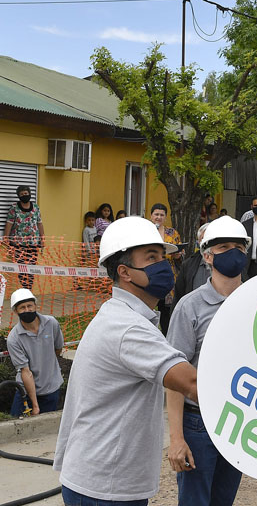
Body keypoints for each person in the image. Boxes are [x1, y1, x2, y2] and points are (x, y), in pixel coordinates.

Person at [54, 216, 198, 505]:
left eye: (164, 257)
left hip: (104, 480)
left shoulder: (122, 315)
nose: (164, 265)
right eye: (152, 257)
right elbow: (190, 382)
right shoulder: (127, 327)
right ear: (125, 272)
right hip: (104, 488)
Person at [166, 216, 250, 506]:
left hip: (239, 421)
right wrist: (177, 439)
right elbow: (174, 378)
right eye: (224, 246)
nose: (233, 252)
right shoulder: (190, 307)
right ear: (207, 255)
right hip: (198, 422)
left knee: (223, 500)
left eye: (239, 247)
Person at [7, 288, 64, 416]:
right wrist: (35, 405)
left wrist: (48, 366)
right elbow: (25, 371)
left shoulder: (52, 323)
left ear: (35, 306)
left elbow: (58, 348)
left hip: (51, 388)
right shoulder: (14, 338)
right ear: (16, 311)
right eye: (22, 307)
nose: (27, 310)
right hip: (25, 391)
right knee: (17, 424)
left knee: (45, 430)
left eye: (29, 306)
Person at [4, 184, 44, 289]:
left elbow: (39, 223)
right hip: (18, 244)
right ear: (18, 196)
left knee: (31, 268)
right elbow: (9, 223)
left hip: (33, 244)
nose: (24, 195)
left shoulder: (35, 207)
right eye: (21, 194)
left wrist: (42, 239)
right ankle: (24, 288)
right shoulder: (14, 208)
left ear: (30, 194)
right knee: (21, 269)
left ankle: (28, 289)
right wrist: (6, 239)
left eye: (26, 193)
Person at [152, 203, 183, 333]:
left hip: (168, 276)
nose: (158, 217)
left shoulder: (172, 232)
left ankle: (167, 336)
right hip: (149, 275)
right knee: (150, 309)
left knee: (166, 312)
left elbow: (180, 253)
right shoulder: (145, 230)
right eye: (156, 214)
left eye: (161, 215)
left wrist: (177, 255)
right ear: (151, 215)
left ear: (165, 217)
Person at [173, 223, 211, 312]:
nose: (207, 242)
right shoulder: (189, 265)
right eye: (203, 238)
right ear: (198, 242)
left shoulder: (229, 264)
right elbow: (179, 295)